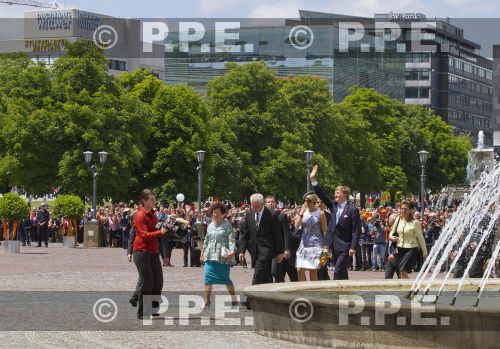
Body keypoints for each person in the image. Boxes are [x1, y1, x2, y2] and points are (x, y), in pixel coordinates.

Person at [310, 165, 361, 280]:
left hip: (345, 247)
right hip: (328, 245)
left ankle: (334, 293)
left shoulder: (353, 209)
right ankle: (337, 289)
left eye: (337, 193)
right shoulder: (333, 206)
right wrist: (313, 179)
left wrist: (353, 247)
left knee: (338, 269)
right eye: (335, 193)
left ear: (345, 194)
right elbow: (321, 195)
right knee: (321, 266)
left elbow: (356, 230)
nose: (335, 195)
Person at [239, 193, 284, 309]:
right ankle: (269, 300)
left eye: (256, 206)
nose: (254, 208)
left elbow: (277, 235)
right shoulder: (249, 214)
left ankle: (250, 301)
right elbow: (245, 234)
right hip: (254, 250)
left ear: (262, 204)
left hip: (267, 249)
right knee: (266, 276)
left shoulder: (272, 215)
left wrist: (280, 252)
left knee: (257, 274)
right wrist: (241, 251)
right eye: (252, 206)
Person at [133, 189, 167, 319]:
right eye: (151, 199)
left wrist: (165, 227)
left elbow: (154, 229)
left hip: (153, 251)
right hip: (142, 251)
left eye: (154, 199)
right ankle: (141, 312)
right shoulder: (140, 215)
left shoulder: (153, 214)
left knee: (158, 281)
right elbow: (144, 235)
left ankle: (153, 308)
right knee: (147, 282)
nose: (154, 202)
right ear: (144, 201)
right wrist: (160, 233)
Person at [200, 202, 237, 309]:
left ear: (222, 214)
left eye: (217, 213)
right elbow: (206, 240)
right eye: (213, 213)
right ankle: (207, 301)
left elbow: (231, 239)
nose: (215, 215)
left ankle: (233, 298)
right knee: (207, 279)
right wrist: (202, 253)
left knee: (225, 279)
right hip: (210, 256)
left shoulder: (227, 225)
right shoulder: (210, 225)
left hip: (222, 257)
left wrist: (232, 251)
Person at [388, 201, 428, 279]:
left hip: (411, 249)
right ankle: (410, 289)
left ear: (410, 210)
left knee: (403, 271)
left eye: (405, 209)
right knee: (401, 274)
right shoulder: (398, 219)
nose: (403, 210)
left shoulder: (415, 222)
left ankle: (410, 290)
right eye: (402, 209)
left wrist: (425, 254)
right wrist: (390, 237)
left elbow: (421, 238)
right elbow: (392, 231)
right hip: (400, 249)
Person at [294, 192, 327, 281]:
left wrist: (326, 246)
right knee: (299, 269)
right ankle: (303, 289)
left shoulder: (320, 213)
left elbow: (325, 230)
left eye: (309, 201)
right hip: (303, 244)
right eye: (305, 201)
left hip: (316, 245)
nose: (306, 203)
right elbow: (296, 227)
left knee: (313, 270)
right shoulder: (303, 212)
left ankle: (313, 292)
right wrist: (301, 213)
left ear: (314, 202)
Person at [266, 195, 296, 283]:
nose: (271, 203)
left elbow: (286, 233)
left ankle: (282, 286)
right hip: (268, 248)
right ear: (265, 204)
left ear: (275, 203)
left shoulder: (281, 216)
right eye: (269, 202)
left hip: (279, 249)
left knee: (275, 271)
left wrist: (287, 249)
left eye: (272, 201)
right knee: (269, 272)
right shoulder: (264, 216)